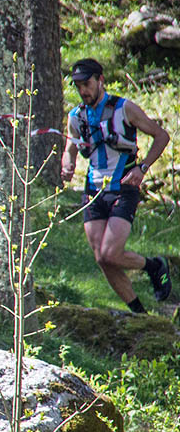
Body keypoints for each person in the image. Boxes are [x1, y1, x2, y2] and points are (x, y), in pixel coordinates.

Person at [61, 58, 171, 311]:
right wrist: (67, 165)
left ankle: (154, 266)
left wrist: (142, 169)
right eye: (78, 86)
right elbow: (70, 148)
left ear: (100, 80)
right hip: (93, 191)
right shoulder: (76, 116)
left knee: (110, 253)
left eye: (87, 84)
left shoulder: (124, 108)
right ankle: (139, 313)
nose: (83, 91)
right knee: (102, 258)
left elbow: (161, 136)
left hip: (124, 187)